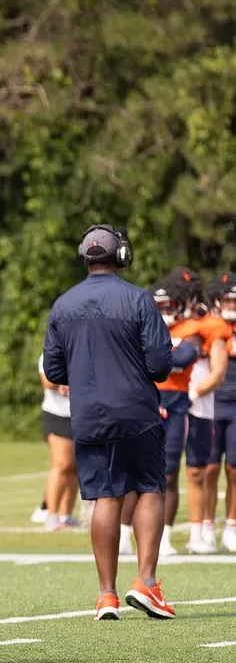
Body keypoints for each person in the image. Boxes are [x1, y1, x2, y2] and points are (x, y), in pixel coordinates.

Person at [43, 225, 193, 621]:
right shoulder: (139, 299)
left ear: (84, 257)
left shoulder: (63, 305)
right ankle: (146, 581)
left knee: (104, 497)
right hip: (137, 410)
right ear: (121, 256)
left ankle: (106, 594)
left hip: (89, 414)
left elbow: (55, 368)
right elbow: (162, 365)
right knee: (149, 489)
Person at [120, 272, 205, 557]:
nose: (164, 312)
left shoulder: (191, 328)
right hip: (145, 400)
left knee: (168, 473)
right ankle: (122, 534)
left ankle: (164, 537)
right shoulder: (142, 326)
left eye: (169, 306)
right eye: (160, 307)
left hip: (177, 403)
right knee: (133, 470)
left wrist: (157, 354)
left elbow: (182, 358)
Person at [183, 278, 231, 554]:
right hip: (192, 403)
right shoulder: (190, 326)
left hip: (211, 404)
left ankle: (211, 530)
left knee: (214, 469)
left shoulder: (215, 327)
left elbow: (218, 368)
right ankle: (199, 528)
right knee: (196, 470)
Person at [205, 272, 236, 552]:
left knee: (234, 468)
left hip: (235, 404)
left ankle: (231, 525)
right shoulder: (208, 326)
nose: (231, 305)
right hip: (212, 403)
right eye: (226, 299)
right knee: (209, 468)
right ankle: (204, 526)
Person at [38, 354, 77, 530]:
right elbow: (47, 382)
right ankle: (51, 515)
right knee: (62, 465)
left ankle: (66, 515)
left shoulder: (83, 349)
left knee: (75, 468)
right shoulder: (50, 353)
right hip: (57, 415)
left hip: (80, 414)